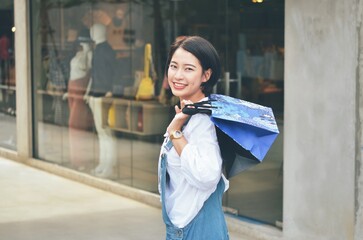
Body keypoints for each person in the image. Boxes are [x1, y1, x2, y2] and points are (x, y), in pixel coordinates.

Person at [158, 36, 230, 239]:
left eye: (188, 69)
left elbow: (207, 175)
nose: (178, 75)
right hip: (180, 228)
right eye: (174, 66)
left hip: (196, 230)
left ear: (206, 75)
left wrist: (175, 132)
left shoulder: (203, 121)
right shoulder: (187, 113)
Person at [85, 23, 117, 178]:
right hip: (95, 94)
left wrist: (109, 91)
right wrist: (88, 93)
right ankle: (103, 163)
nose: (92, 32)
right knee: (101, 132)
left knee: (105, 132)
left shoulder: (106, 50)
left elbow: (110, 72)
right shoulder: (98, 49)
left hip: (102, 95)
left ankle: (109, 166)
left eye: (94, 29)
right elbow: (95, 74)